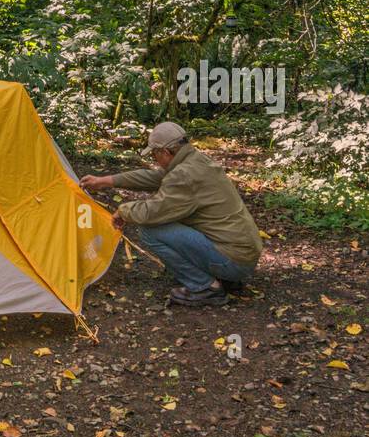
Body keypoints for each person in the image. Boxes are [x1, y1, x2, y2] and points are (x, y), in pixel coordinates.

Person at [80, 122, 263, 307]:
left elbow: (153, 212)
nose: (154, 158)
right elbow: (154, 177)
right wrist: (105, 181)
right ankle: (222, 276)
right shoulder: (195, 160)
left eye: (154, 154)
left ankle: (206, 287)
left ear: (166, 152)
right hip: (244, 253)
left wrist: (124, 210)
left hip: (233, 261)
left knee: (149, 231)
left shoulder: (184, 175)